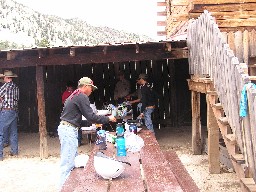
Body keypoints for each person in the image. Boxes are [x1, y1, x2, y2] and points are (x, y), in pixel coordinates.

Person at [58, 77, 116, 188]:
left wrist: (96, 120)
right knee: (67, 164)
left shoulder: (75, 95)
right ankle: (63, 189)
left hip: (67, 129)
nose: (91, 90)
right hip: (68, 130)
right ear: (85, 86)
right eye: (91, 88)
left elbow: (81, 117)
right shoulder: (81, 96)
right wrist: (108, 119)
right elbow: (91, 117)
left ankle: (70, 188)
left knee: (72, 162)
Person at [0, 70, 19, 161]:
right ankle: (14, 151)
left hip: (6, 111)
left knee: (1, 133)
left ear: (6, 78)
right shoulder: (16, 87)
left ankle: (0, 155)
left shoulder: (4, 87)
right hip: (14, 111)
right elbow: (17, 99)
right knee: (13, 132)